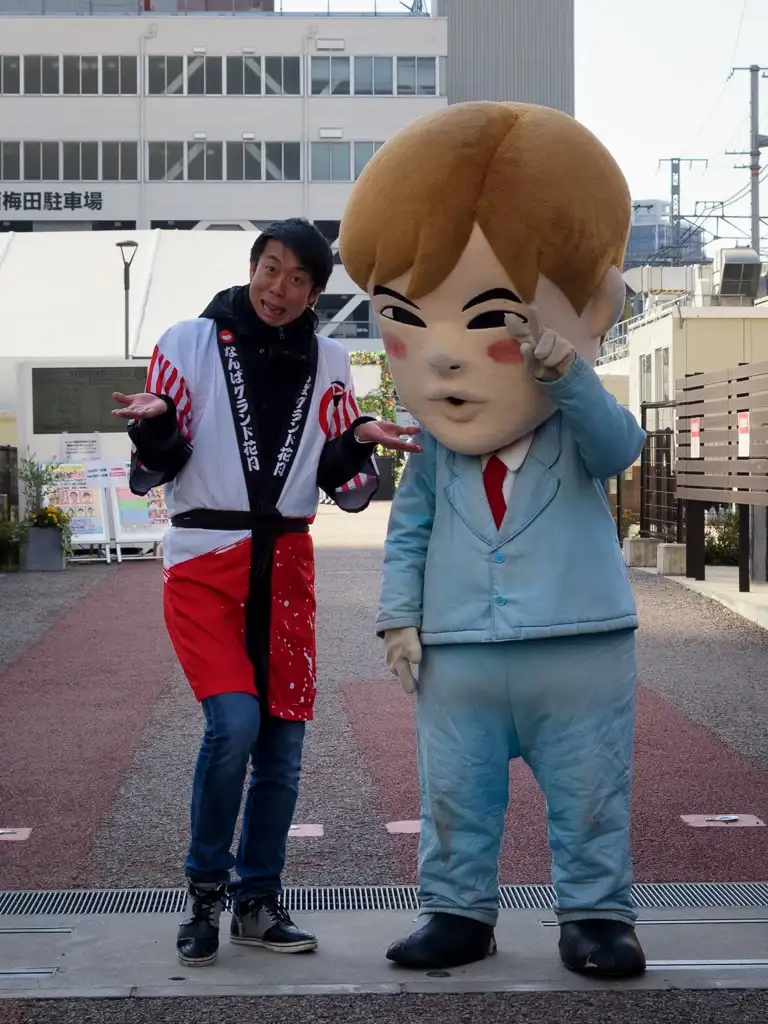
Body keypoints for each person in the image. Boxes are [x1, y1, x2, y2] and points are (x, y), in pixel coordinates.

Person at [339, 102, 648, 978]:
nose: (442, 356)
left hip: (577, 638)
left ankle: (595, 916)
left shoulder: (572, 422)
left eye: (486, 320)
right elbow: (410, 529)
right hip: (461, 645)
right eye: (409, 317)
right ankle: (455, 910)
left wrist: (568, 376)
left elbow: (621, 449)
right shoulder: (437, 449)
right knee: (453, 797)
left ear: (594, 308)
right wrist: (398, 617)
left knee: (590, 796)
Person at [112, 218, 419, 968]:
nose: (278, 289)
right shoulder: (186, 342)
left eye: (297, 279)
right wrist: (153, 430)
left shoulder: (331, 360)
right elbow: (168, 449)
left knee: (283, 746)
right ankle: (204, 893)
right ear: (252, 267)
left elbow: (332, 470)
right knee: (235, 725)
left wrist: (361, 438)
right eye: (270, 269)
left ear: (315, 292)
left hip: (285, 565)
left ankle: (258, 898)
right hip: (204, 560)